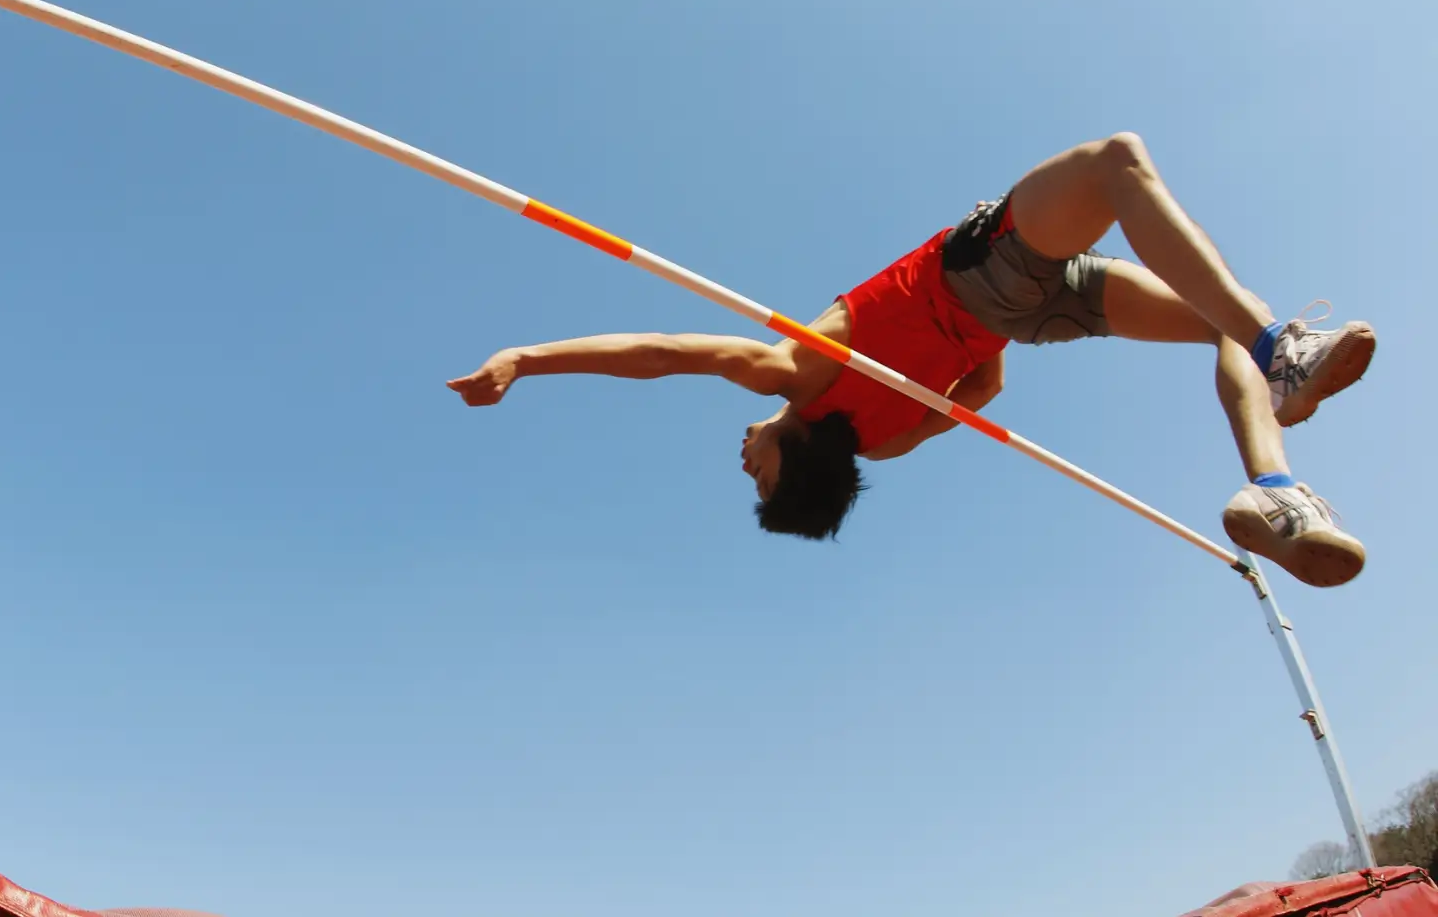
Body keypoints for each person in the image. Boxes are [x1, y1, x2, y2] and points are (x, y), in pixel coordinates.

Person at [447, 134, 1375, 587]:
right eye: (756, 472)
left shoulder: (882, 441)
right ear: (790, 460)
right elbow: (657, 353)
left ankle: (1275, 489)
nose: (743, 456)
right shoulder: (794, 376)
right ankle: (1281, 351)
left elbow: (989, 383)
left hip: (1030, 314)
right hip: (991, 270)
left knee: (1216, 319)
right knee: (1115, 162)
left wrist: (988, 330)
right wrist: (524, 357)